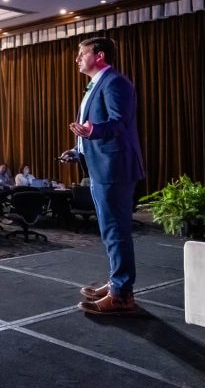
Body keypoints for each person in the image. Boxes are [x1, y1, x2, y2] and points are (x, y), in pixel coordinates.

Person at [61, 36, 145, 316]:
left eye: (82, 54)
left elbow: (118, 122)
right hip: (101, 167)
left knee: (116, 231)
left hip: (115, 168)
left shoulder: (115, 82)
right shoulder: (96, 85)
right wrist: (77, 150)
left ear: (99, 56)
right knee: (111, 232)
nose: (77, 59)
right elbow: (92, 128)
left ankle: (122, 295)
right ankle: (116, 283)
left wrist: (91, 131)